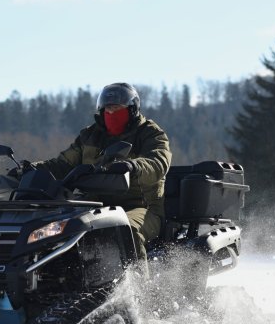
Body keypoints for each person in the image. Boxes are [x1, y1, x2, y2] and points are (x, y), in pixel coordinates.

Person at [32, 82, 172, 264]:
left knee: (126, 229)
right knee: (51, 230)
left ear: (132, 109)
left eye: (117, 108)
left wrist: (133, 166)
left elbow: (159, 162)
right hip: (93, 206)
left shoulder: (150, 133)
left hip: (140, 207)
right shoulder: (90, 135)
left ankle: (138, 289)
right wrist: (31, 168)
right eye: (108, 109)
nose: (111, 113)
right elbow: (62, 164)